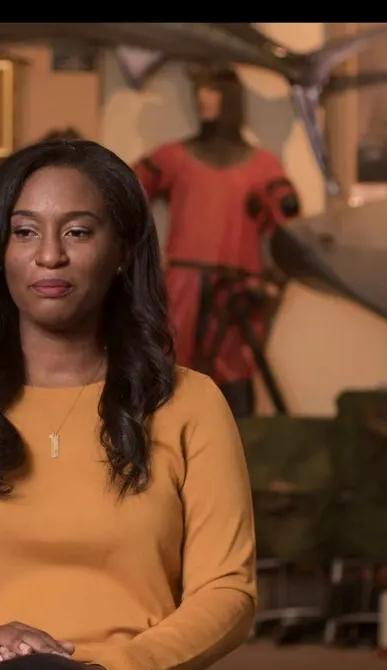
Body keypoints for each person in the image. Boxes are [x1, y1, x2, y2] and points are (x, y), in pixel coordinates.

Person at [0, 138, 257, 670]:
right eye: (24, 232)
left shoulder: (191, 403)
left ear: (122, 250)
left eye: (77, 232)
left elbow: (228, 592)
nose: (49, 255)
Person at [134, 63, 301, 419]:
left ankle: (235, 449)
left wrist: (274, 280)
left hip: (237, 291)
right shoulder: (175, 158)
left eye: (211, 90)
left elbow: (288, 226)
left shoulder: (263, 167)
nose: (202, 99)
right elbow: (126, 190)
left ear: (230, 98)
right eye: (199, 91)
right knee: (174, 375)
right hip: (183, 288)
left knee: (235, 380)